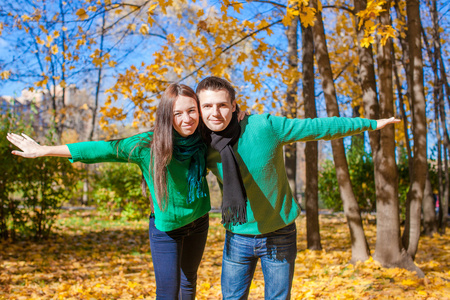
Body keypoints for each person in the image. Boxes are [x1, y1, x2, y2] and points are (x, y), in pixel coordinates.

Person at [195, 76, 401, 300]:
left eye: (222, 105)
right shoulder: (202, 145)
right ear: (199, 109)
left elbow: (318, 127)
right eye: (207, 106)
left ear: (234, 106)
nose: (215, 112)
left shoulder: (265, 126)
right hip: (237, 235)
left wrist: (370, 124)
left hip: (279, 233)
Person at [7, 83, 210, 300]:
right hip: (167, 228)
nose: (187, 118)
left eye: (191, 110)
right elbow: (100, 149)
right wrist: (44, 150)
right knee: (168, 294)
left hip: (199, 221)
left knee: (189, 281)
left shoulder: (205, 138)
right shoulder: (147, 145)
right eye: (177, 113)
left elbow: (231, 124)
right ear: (166, 116)